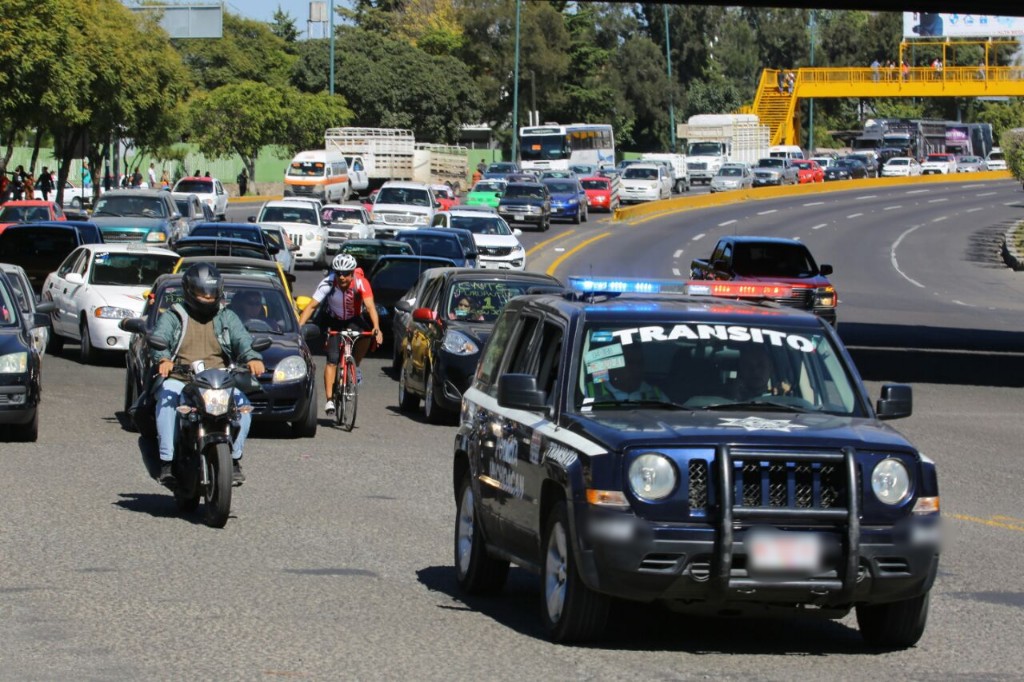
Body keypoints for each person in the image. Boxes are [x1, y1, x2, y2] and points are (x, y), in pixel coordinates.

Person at [151, 263, 265, 486]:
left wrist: (252, 358)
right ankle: (167, 462)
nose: (207, 298)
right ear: (189, 291)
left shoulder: (227, 316)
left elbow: (242, 340)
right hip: (182, 379)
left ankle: (234, 460)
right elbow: (160, 338)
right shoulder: (175, 315)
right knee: (166, 402)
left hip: (219, 381)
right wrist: (163, 359)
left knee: (244, 408)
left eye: (211, 293)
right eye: (202, 293)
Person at [297, 253, 383, 415]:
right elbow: (312, 306)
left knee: (366, 335)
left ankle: (356, 366)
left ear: (352, 273)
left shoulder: (361, 282)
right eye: (338, 273)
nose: (342, 277)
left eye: (346, 273)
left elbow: (370, 306)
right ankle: (330, 400)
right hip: (333, 319)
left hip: (353, 318)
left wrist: (376, 328)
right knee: (332, 360)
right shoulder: (328, 282)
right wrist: (299, 328)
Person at [589, 344, 669, 402]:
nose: (636, 369)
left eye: (639, 363)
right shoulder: (589, 393)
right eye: (629, 363)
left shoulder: (656, 395)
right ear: (613, 366)